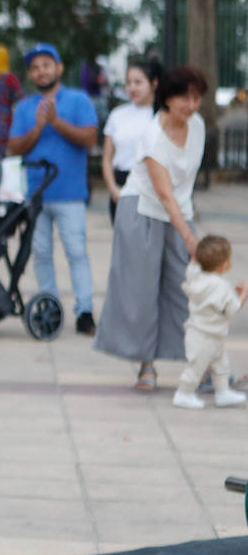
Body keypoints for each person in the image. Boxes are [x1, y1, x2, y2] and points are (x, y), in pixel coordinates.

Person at [95, 66, 210, 392]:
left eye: (196, 98)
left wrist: (187, 230)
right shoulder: (153, 135)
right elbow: (163, 193)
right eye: (184, 97)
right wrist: (189, 238)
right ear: (167, 99)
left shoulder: (198, 125)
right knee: (141, 290)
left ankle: (199, 365)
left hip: (178, 211)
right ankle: (146, 365)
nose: (191, 105)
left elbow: (183, 186)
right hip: (142, 210)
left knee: (187, 288)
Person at [6, 43, 98, 335]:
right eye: (34, 67)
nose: (40, 71)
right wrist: (37, 127)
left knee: (76, 251)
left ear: (59, 68)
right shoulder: (23, 107)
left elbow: (89, 139)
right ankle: (51, 306)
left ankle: (84, 310)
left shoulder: (79, 100)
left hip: (71, 194)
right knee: (41, 253)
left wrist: (56, 122)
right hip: (35, 195)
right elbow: (13, 147)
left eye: (46, 64)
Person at [171, 236, 247, 409]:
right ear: (223, 265)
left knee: (221, 364)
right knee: (196, 367)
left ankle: (223, 392)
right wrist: (243, 295)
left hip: (200, 333)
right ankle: (183, 393)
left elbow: (192, 265)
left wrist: (197, 253)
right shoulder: (222, 286)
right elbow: (232, 309)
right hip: (208, 336)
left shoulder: (195, 276)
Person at [101, 60, 159, 223]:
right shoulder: (117, 115)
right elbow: (107, 158)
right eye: (129, 82)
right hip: (121, 184)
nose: (132, 87)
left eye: (138, 82)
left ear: (154, 83)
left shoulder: (161, 117)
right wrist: (113, 189)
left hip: (151, 185)